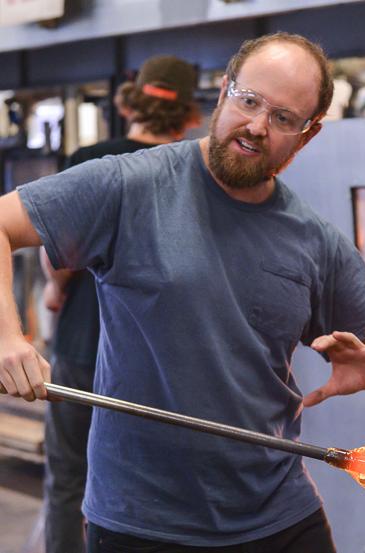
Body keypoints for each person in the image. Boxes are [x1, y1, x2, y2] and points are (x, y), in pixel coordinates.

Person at [0, 32, 365, 552]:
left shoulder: (309, 237)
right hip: (143, 523)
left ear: (307, 136)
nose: (257, 127)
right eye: (249, 101)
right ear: (224, 92)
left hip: (277, 514)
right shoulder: (131, 186)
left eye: (284, 118)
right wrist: (7, 336)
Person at [38, 55, 201, 553]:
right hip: (160, 360)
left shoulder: (91, 159)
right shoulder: (194, 170)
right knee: (155, 487)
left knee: (69, 477)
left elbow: (59, 253)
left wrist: (56, 289)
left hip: (84, 344)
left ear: (132, 99)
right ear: (189, 111)